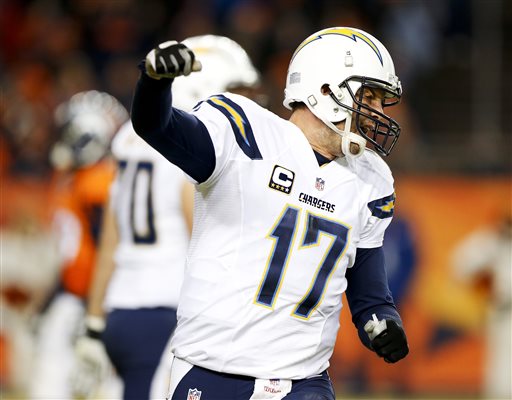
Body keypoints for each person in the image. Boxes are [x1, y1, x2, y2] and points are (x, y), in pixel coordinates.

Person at [131, 27, 409, 400]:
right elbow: (157, 126)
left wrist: (383, 324)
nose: (376, 112)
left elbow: (370, 295)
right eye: (369, 96)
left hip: (304, 382)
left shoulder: (371, 181)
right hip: (214, 371)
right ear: (325, 90)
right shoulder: (244, 131)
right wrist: (154, 83)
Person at [75, 35, 263, 400]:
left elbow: (112, 238)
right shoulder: (193, 140)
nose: (247, 103)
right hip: (168, 313)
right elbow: (204, 232)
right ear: (207, 86)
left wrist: (94, 322)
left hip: (120, 311)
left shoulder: (130, 136)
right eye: (236, 90)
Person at [29, 90, 128, 400]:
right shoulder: (76, 180)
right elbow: (74, 254)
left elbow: (108, 252)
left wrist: (94, 315)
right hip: (75, 296)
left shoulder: (98, 183)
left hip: (97, 302)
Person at [451, 214, 512, 400]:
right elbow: (459, 265)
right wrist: (483, 285)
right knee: (501, 368)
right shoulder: (490, 242)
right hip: (503, 310)